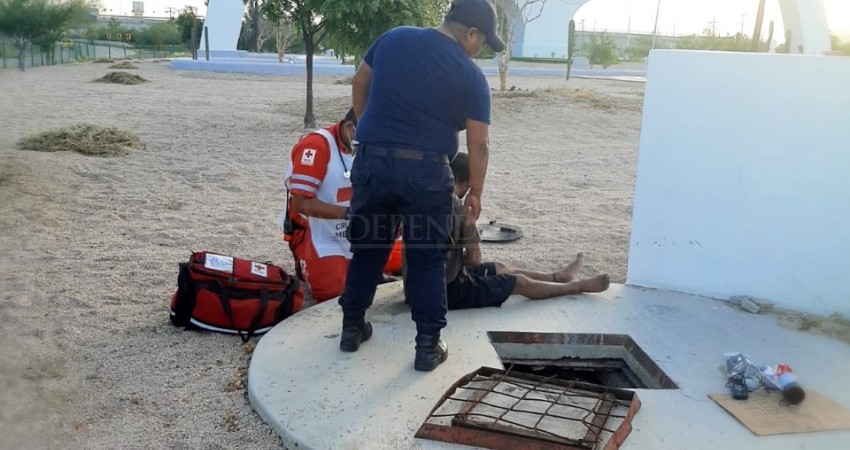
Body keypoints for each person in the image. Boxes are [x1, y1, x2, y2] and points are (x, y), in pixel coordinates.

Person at [338, 0, 505, 371]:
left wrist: (370, 130)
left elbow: (360, 81)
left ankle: (351, 329)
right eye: (482, 42)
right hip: (427, 173)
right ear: (471, 33)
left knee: (367, 248)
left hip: (372, 164)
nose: (479, 50)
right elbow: (479, 143)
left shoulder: (394, 38)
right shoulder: (471, 76)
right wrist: (475, 191)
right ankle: (428, 346)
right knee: (428, 257)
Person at [444, 153, 611, 310]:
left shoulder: (430, 201)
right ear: (469, 183)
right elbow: (474, 259)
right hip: (450, 290)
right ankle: (575, 287)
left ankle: (558, 277)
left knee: (499, 268)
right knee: (519, 282)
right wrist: (455, 262)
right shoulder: (462, 210)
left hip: (434, 280)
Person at [282, 109, 357, 303]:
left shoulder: (369, 145)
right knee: (334, 292)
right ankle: (302, 258)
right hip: (315, 230)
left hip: (354, 228)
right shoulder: (316, 146)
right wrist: (349, 213)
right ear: (350, 128)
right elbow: (301, 203)